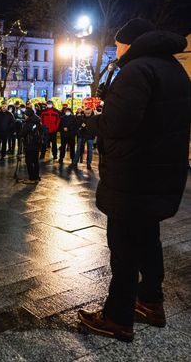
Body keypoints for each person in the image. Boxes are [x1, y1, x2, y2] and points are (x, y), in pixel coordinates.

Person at [77, 19, 191, 342]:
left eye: (117, 45)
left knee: (124, 247)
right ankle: (151, 302)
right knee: (148, 238)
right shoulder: (174, 69)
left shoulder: (137, 71)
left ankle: (117, 317)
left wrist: (93, 123)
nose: (116, 51)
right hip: (161, 173)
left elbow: (118, 125)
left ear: (129, 43)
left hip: (133, 177)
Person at [19, 108, 42, 183]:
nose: (24, 116)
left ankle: (32, 178)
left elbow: (22, 133)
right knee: (35, 161)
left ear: (28, 115)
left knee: (29, 162)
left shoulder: (29, 123)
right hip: (37, 144)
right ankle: (36, 177)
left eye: (25, 115)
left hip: (29, 144)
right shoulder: (37, 121)